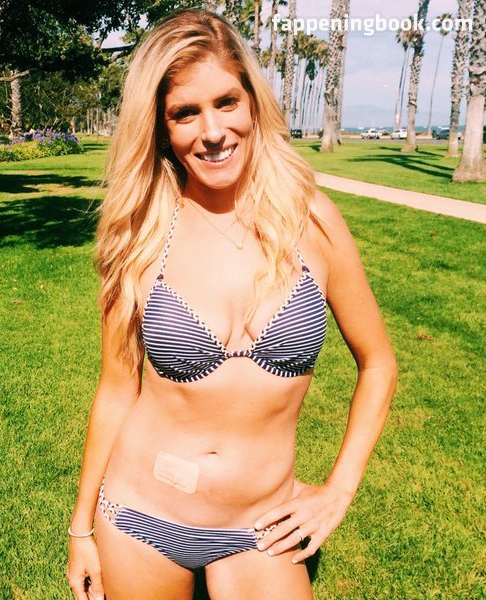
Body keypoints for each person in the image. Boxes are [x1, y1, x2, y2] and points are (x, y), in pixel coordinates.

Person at [66, 9, 397, 600]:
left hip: (262, 526)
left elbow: (378, 364)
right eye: (185, 113)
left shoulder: (312, 222)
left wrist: (339, 491)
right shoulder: (141, 233)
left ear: (252, 103)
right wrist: (81, 528)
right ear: (161, 127)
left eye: (226, 102)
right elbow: (117, 389)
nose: (213, 131)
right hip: (140, 514)